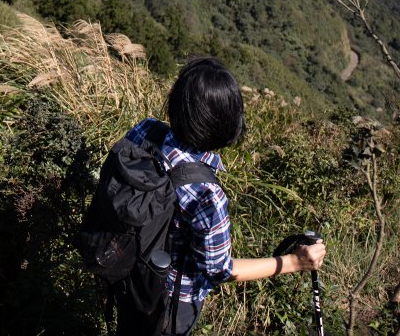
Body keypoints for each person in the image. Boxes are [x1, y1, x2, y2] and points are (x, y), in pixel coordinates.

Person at [115, 56, 326, 336]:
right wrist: (294, 262)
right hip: (170, 303)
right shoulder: (206, 193)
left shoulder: (145, 130)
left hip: (127, 272)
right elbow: (219, 270)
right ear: (226, 123)